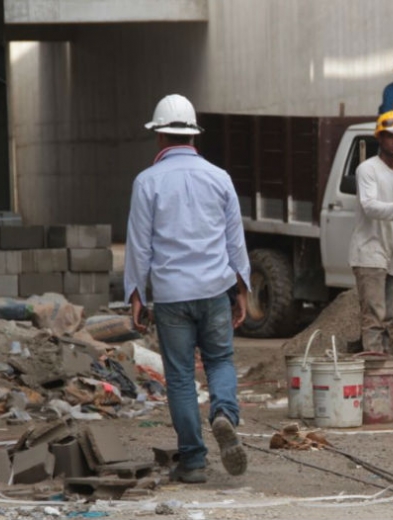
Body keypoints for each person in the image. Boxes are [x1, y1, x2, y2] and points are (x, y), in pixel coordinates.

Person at [124, 94, 250, 483]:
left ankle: (194, 462)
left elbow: (138, 245)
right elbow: (235, 241)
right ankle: (224, 414)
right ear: (193, 136)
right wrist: (242, 289)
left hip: (172, 295)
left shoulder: (147, 182)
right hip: (215, 290)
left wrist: (136, 295)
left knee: (179, 377)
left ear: (159, 137)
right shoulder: (220, 178)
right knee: (220, 361)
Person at [349, 111, 393, 353]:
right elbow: (369, 206)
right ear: (379, 138)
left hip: (391, 254)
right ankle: (373, 369)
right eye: (390, 136)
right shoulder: (367, 170)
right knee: (374, 316)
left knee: (387, 317)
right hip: (370, 252)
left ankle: (383, 365)